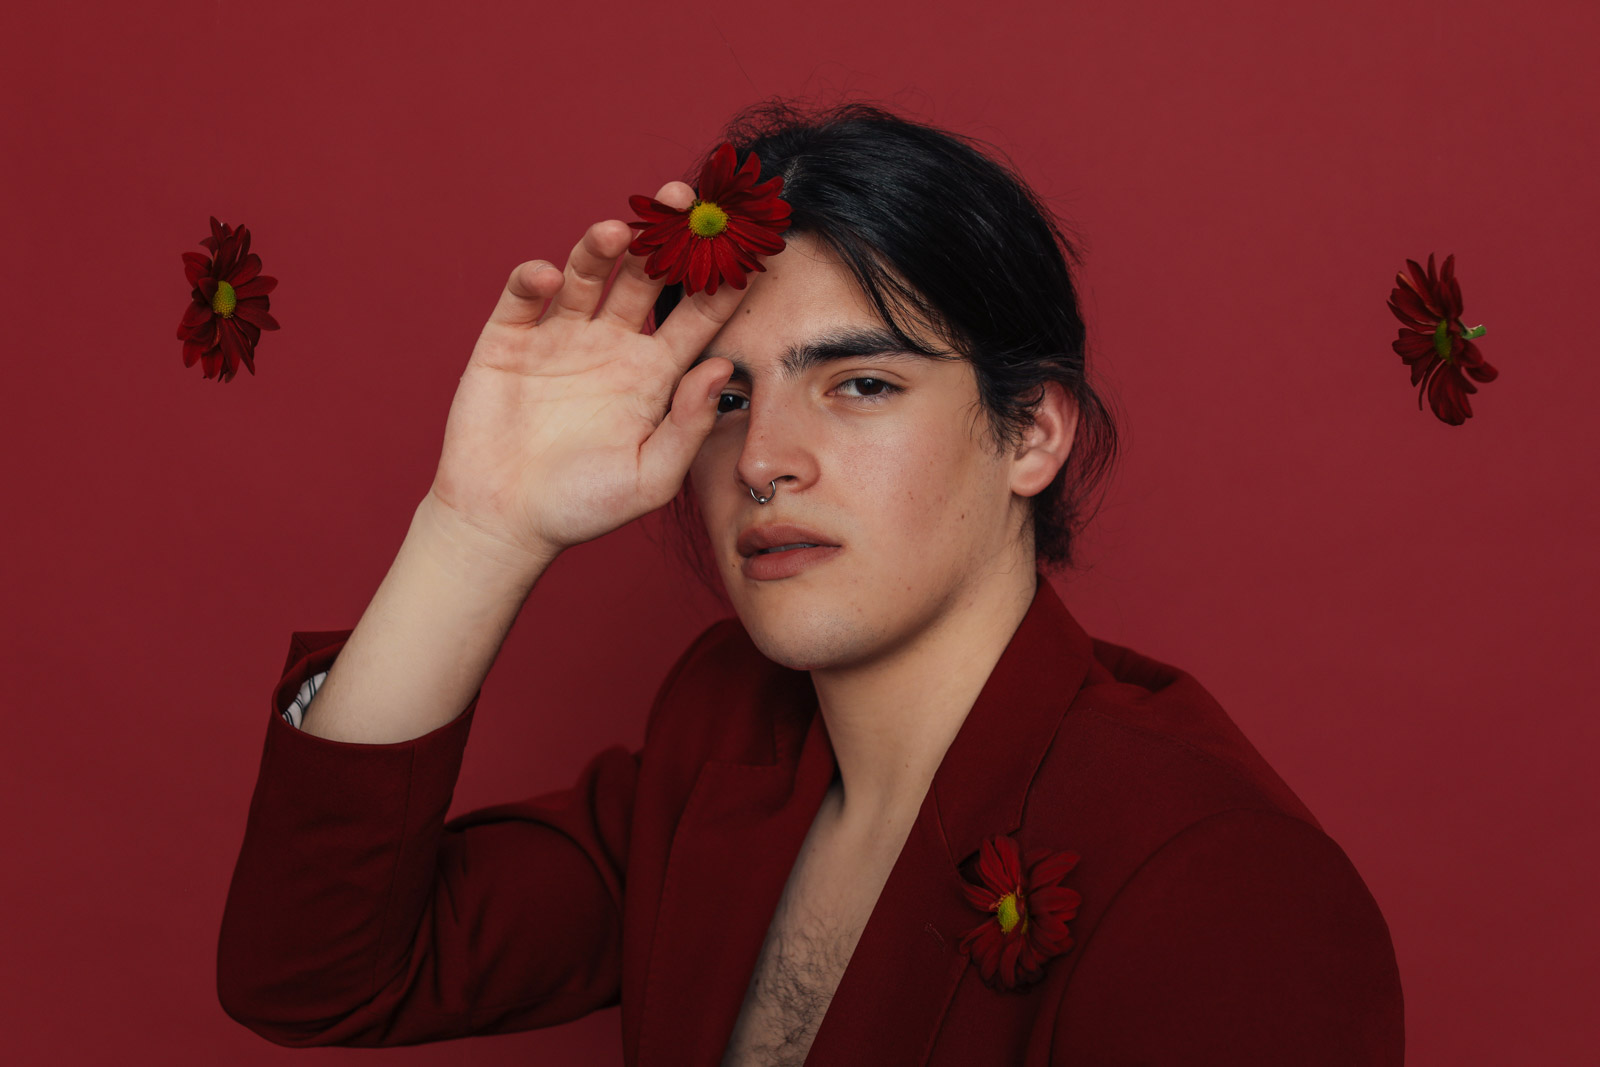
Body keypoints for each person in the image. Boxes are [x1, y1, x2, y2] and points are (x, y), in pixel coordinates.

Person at [217, 101, 1404, 1065]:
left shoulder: (1219, 879)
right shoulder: (722, 732)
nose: (765, 459)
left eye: (861, 385)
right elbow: (317, 969)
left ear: (1031, 433)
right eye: (729, 396)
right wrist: (477, 526)